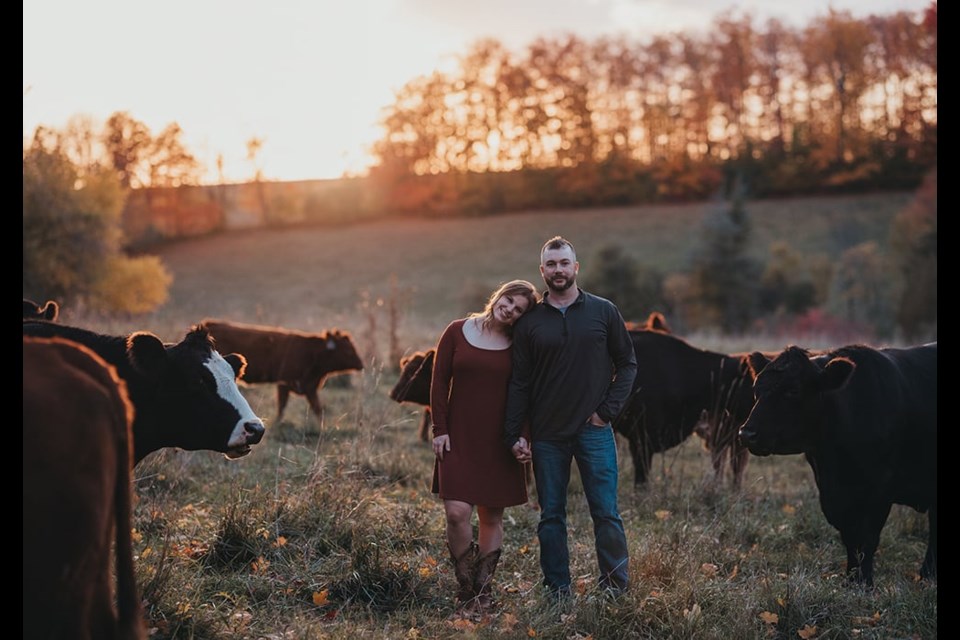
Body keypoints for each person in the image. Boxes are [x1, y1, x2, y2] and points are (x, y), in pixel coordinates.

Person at [502, 236, 638, 600]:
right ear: (542, 271)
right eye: (551, 264)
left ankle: (614, 589)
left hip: (594, 430)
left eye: (564, 263)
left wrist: (606, 412)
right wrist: (514, 432)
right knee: (551, 517)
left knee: (606, 512)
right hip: (547, 434)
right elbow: (520, 382)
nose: (558, 270)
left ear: (576, 268)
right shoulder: (530, 323)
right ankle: (557, 590)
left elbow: (627, 364)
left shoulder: (604, 311)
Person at [430, 279, 540, 615]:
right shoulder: (457, 330)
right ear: (499, 296)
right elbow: (438, 381)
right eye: (508, 301)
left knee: (491, 517)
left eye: (518, 310)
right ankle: (465, 587)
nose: (509, 310)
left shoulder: (518, 345)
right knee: (456, 513)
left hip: (499, 440)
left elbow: (524, 393)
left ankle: (482, 592)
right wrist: (440, 429)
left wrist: (522, 436)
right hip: (458, 436)